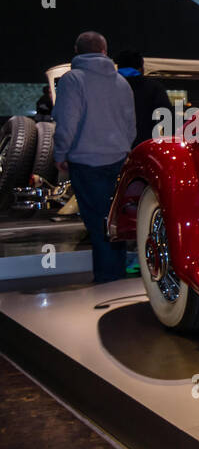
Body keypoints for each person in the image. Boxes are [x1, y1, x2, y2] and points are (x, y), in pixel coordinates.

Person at [52, 31, 136, 283]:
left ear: (77, 52)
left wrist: (60, 153)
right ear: (104, 51)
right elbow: (130, 125)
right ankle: (115, 274)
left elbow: (67, 121)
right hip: (119, 160)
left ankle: (107, 278)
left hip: (86, 161)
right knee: (114, 221)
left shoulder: (72, 80)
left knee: (97, 224)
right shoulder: (122, 82)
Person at [114, 49, 171, 146]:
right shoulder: (153, 87)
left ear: (118, 66)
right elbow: (167, 116)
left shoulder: (106, 86)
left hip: (112, 145)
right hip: (143, 144)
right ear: (141, 68)